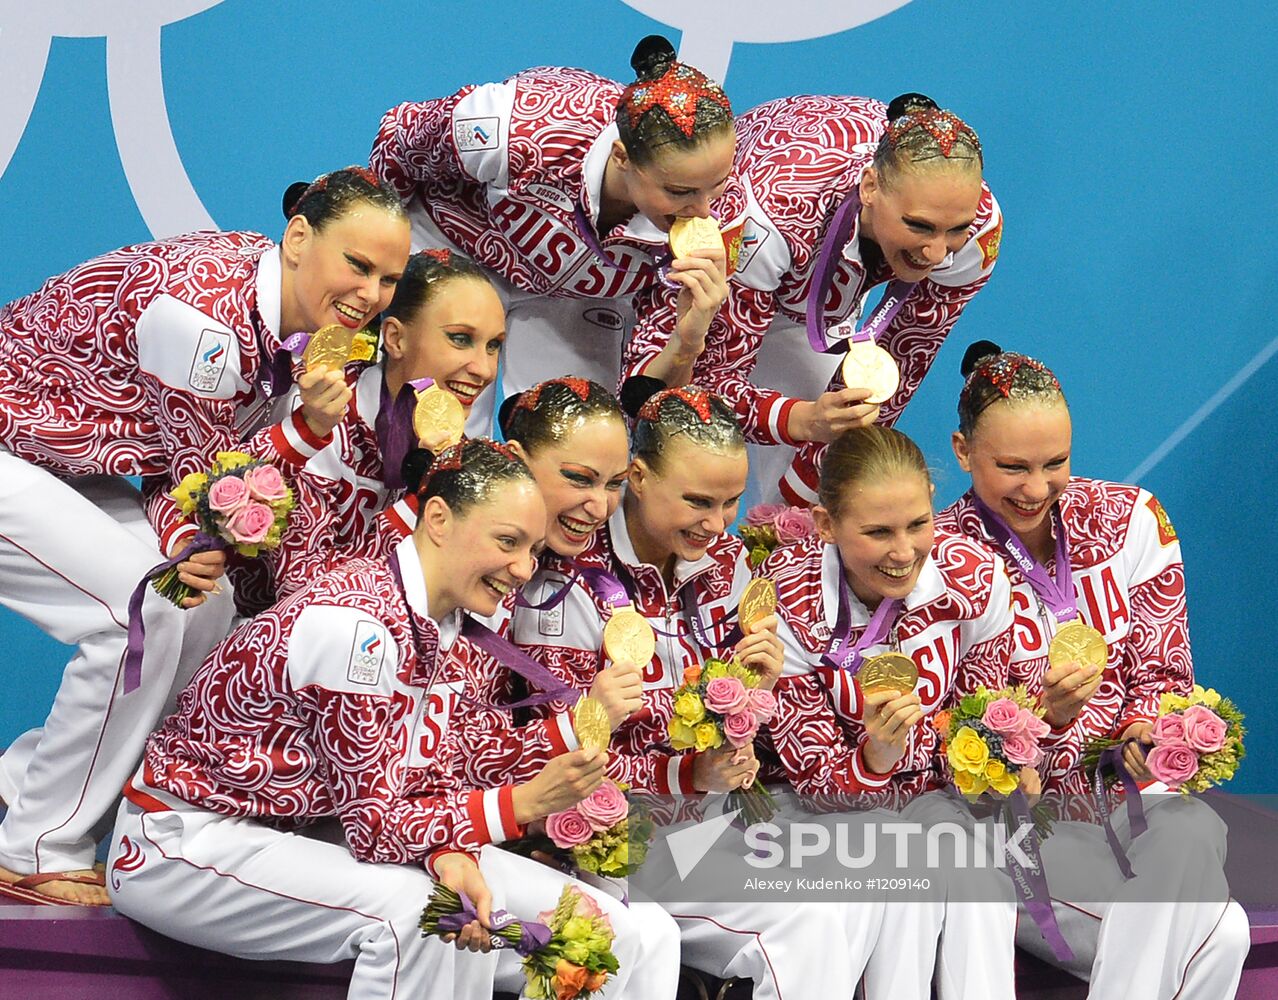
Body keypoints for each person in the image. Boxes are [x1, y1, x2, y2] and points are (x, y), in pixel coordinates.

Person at [107, 439, 675, 999]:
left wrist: (571, 733)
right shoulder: (357, 629)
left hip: (302, 831)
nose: (524, 568)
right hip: (185, 841)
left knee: (626, 936)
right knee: (421, 915)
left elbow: (449, 762)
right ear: (438, 519)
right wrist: (519, 806)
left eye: (531, 547)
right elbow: (374, 825)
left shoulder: (447, 620)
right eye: (507, 541)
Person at [0, 167, 411, 904]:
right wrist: (304, 430)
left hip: (55, 458)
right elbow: (207, 494)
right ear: (297, 239)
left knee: (206, 606)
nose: (373, 294)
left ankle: (24, 789)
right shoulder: (205, 322)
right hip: (11, 448)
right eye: (358, 264)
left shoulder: (294, 324)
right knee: (148, 601)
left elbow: (194, 493)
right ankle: (33, 848)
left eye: (388, 277)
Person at [496, 384, 884, 1000]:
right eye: (698, 501)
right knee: (807, 923)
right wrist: (688, 772)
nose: (716, 523)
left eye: (731, 502)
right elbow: (567, 766)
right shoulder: (562, 582)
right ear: (640, 478)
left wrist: (757, 691)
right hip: (616, 837)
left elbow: (735, 726)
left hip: (708, 825)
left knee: (864, 887)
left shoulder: (730, 566)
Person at [935, 344, 1250, 998]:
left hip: (1130, 817)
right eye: (1011, 466)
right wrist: (1042, 718)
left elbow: (1165, 677)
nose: (1036, 487)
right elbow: (953, 750)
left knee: (1188, 828)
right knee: (1222, 935)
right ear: (964, 452)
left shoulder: (1132, 518)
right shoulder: (940, 559)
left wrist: (1144, 738)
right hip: (1018, 830)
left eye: (1056, 463)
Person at [622, 93, 1001, 504]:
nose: (936, 253)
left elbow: (894, 370)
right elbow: (712, 385)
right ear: (870, 187)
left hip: (816, 294)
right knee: (663, 440)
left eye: (953, 230)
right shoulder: (769, 215)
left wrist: (795, 512)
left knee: (816, 483)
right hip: (726, 273)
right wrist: (802, 420)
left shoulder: (978, 234)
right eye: (919, 226)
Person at [763, 424, 1018, 999]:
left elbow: (990, 718)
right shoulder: (788, 601)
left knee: (978, 874)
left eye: (918, 524)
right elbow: (813, 783)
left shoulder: (974, 578)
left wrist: (979, 769)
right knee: (900, 861)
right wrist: (877, 757)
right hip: (816, 812)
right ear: (826, 525)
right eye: (878, 532)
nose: (904, 553)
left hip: (932, 797)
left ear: (933, 499)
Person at [370, 36, 735, 436]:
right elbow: (399, 140)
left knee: (576, 440)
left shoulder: (718, 225)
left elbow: (642, 395)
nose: (703, 210)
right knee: (430, 428)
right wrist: (382, 274)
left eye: (716, 185)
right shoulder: (522, 127)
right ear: (622, 157)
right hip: (457, 245)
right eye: (680, 192)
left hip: (575, 298)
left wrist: (689, 338)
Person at [248, 248, 506, 610]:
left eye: (494, 345)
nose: (484, 369)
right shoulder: (324, 421)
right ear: (395, 338)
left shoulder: (459, 456)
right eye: (460, 339)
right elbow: (305, 590)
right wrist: (422, 499)